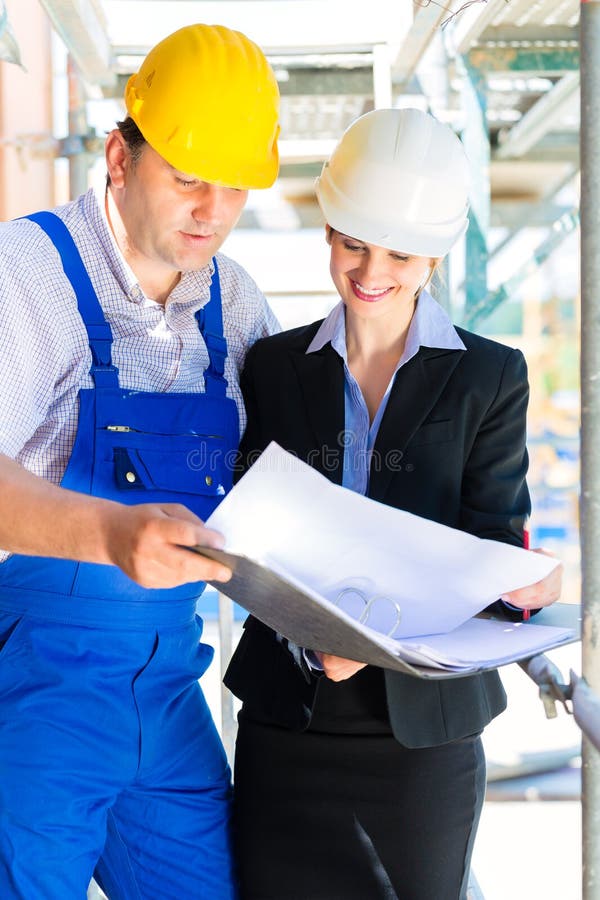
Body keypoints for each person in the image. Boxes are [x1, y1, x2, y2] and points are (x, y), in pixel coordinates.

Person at [224, 107, 562, 900]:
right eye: (352, 244)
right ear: (331, 229)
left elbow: (486, 539)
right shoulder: (272, 367)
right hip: (289, 724)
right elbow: (252, 532)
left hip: (423, 735)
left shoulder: (490, 377)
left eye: (401, 253)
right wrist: (311, 629)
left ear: (437, 254)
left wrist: (519, 587)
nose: (371, 271)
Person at [0, 23, 280, 900]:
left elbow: (283, 485)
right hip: (32, 692)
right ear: (120, 157)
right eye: (187, 178)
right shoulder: (28, 272)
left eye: (233, 186)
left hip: (168, 691)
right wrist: (112, 534)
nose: (211, 211)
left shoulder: (234, 304)